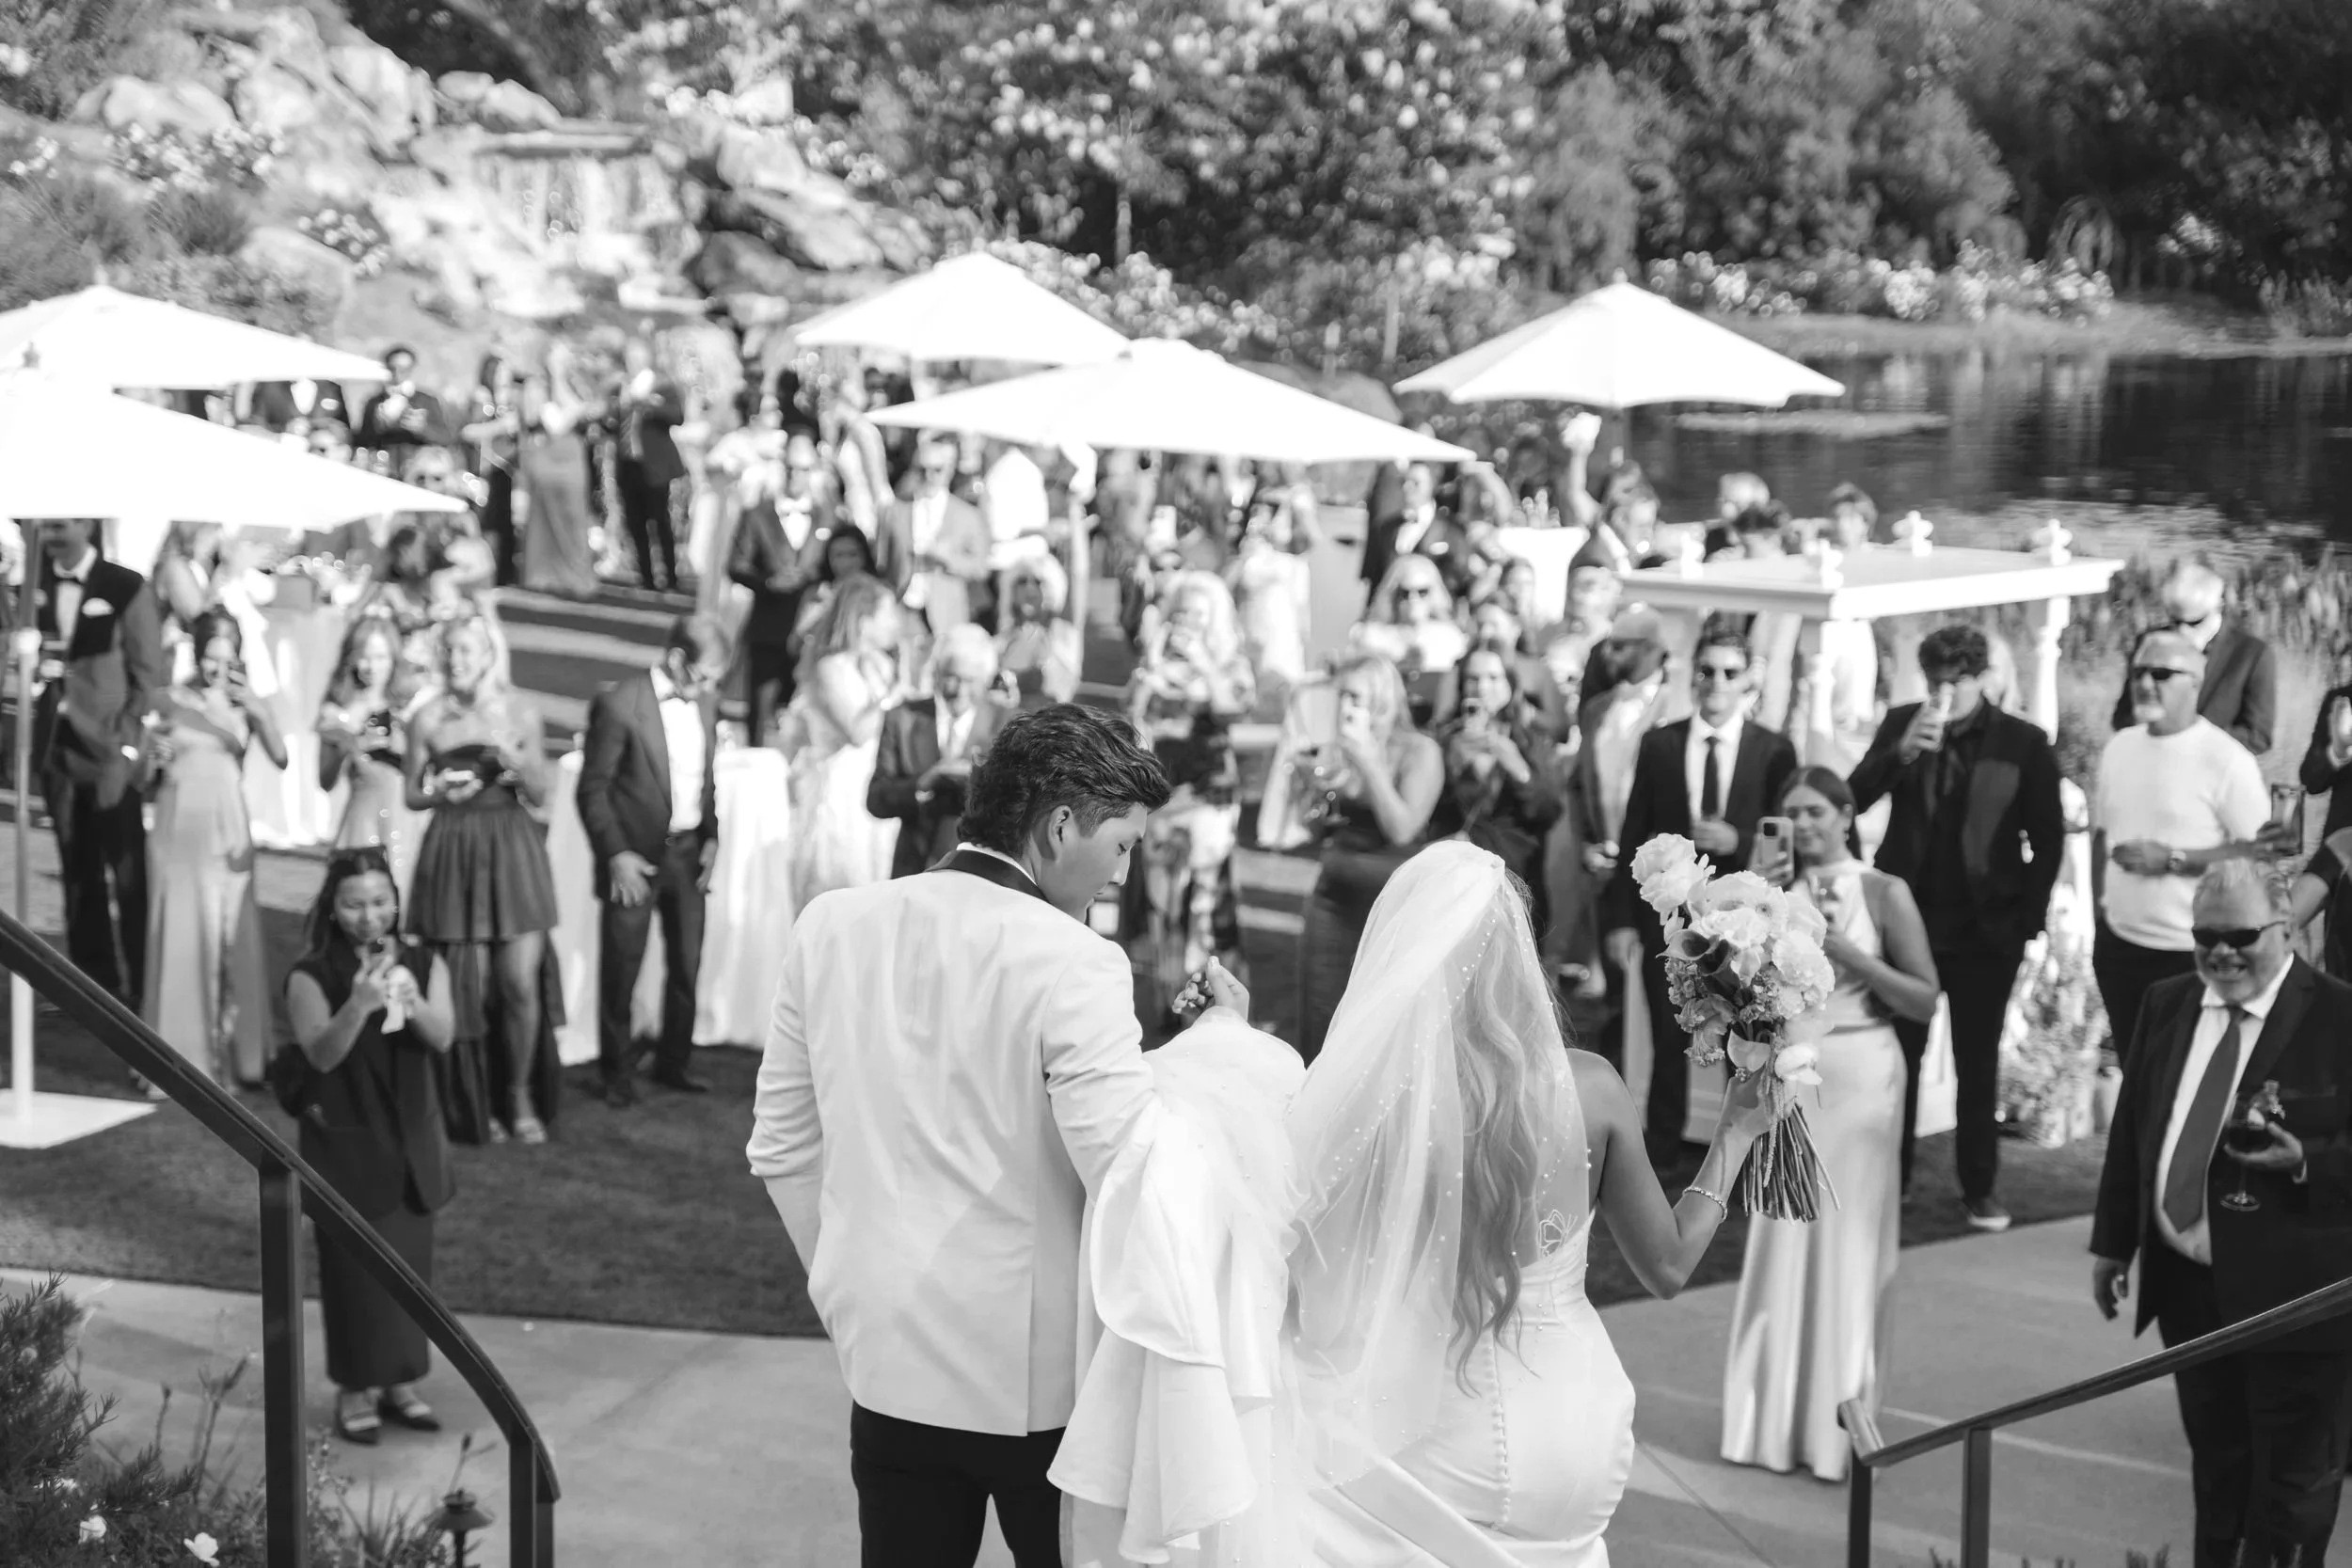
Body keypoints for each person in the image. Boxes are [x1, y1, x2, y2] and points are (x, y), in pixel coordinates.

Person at [751, 705, 1242, 1568]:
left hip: (886, 1362)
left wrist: (847, 1288)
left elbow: (782, 1147)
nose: (1124, 874)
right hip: (1039, 1396)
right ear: (1059, 825)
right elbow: (1134, 1172)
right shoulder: (1075, 960)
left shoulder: (829, 924)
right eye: (1122, 843)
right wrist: (1223, 1048)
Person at [1294, 842, 1774, 1562]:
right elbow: (1668, 1266)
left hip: (1432, 1438)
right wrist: (1735, 1132)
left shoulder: (1373, 1107)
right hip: (1574, 1427)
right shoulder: (1591, 1086)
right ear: (1515, 950)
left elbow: (1311, 1268)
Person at [2090, 861, 2352, 1568]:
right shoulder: (2167, 1002)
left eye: (2240, 934)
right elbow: (2135, 1130)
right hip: (2190, 1288)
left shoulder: (2339, 1015)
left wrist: (2311, 1161)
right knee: (2218, 1466)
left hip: (2297, 1302)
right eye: (2206, 934)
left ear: (2287, 924)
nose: (2221, 951)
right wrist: (2113, 1244)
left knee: (2292, 1489)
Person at [1722, 768, 1940, 1482]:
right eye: (1789, 814)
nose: (1804, 824)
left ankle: (1836, 1427)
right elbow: (1737, 989)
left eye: (1815, 811)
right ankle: (1767, 1418)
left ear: (1847, 814)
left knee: (1847, 1244)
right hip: (1790, 1072)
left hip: (1864, 1076)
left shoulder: (1886, 892)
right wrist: (1749, 908)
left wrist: (1853, 955)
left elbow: (1924, 998)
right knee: (1781, 1235)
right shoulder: (1766, 892)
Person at [1849, 624, 2066, 1223]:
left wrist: (2025, 922)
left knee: (1977, 1064)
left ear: (1979, 678)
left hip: (1984, 931)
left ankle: (1979, 1187)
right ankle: (1890, 1182)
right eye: (1934, 682)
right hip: (1907, 924)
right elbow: (1851, 801)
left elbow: (2046, 841)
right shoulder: (1902, 725)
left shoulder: (2022, 742)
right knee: (1899, 1058)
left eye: (1955, 682)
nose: (1943, 694)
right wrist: (1900, 756)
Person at [283, 847, 456, 1447]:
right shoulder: (311, 974)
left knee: (411, 1274)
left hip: (412, 1142)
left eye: (380, 901)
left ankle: (402, 1383)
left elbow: (443, 1037)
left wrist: (408, 999)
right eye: (354, 903)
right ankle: (356, 1388)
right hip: (347, 1143)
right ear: (333, 908)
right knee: (354, 1273)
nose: (369, 916)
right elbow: (321, 1054)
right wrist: (358, 1004)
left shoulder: (424, 961)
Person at [1605, 628, 1798, 1153]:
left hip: (1745, 922)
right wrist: (1622, 920)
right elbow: (1633, 831)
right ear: (1693, 677)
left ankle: (1738, 1149)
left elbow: (1786, 837)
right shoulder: (1660, 743)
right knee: (1672, 1033)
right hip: (1672, 921)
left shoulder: (1774, 750)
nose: (1717, 682)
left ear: (1748, 682)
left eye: (1730, 672)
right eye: (1708, 670)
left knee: (1743, 1035)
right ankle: (1663, 1148)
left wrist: (1740, 838)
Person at [2091, 628, 2281, 1076]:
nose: (2145, 682)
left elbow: (2262, 855)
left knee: (2181, 1087)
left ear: (2195, 683)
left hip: (2189, 956)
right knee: (2135, 1079)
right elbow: (2102, 836)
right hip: (2119, 946)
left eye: (2161, 673)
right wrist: (2096, 916)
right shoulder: (2121, 747)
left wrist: (2175, 859)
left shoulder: (2226, 760)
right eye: (2139, 671)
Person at [404, 611, 562, 1146]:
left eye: (467, 650)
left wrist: (516, 763)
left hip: (511, 847)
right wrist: (439, 793)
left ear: (489, 654)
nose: (457, 660)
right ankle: (472, 1100)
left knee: (518, 983)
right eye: (449, 651)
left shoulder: (521, 710)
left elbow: (543, 796)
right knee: (469, 987)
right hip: (452, 847)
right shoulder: (426, 718)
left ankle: (517, 1093)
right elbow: (409, 794)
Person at [575, 613, 729, 1107]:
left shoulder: (706, 702)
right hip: (635, 857)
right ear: (678, 659)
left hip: (687, 855)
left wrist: (711, 837)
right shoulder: (620, 704)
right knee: (623, 967)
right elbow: (593, 790)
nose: (706, 687)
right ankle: (615, 1072)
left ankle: (673, 1063)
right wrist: (616, 855)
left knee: (686, 964)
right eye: (702, 675)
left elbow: (706, 778)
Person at [140, 610, 284, 1089]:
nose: (216, 667)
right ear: (195, 651)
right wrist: (149, 759)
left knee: (230, 934)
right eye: (208, 655)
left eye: (226, 658)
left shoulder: (247, 705)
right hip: (176, 825)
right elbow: (142, 778)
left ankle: (237, 1057)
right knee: (178, 934)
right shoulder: (167, 699)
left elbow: (281, 758)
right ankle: (176, 1056)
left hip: (226, 830)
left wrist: (259, 710)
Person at [29, 517, 165, 1006]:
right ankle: (91, 989)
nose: (54, 535)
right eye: (46, 527)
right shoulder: (33, 582)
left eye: (62, 525)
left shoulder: (125, 586)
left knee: (127, 875)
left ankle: (145, 986)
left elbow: (150, 673)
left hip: (110, 751)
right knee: (77, 870)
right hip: (57, 747)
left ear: (87, 525)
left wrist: (129, 745)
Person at [1122, 572, 1256, 1032]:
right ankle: (1167, 1002)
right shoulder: (1155, 663)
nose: (1186, 623)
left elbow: (1231, 709)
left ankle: (1211, 1004)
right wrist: (1151, 674)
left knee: (1205, 901)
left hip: (1208, 796)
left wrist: (1202, 662)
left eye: (1198, 615)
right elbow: (1132, 723)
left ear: (1215, 619)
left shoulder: (1230, 664)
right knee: (1164, 904)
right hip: (1161, 796)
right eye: (1180, 612)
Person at [1295, 654, 1443, 1063]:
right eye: (1341, 695)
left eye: (1356, 697)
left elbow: (1403, 827)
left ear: (1383, 700)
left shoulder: (1420, 751)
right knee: (1324, 1018)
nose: (1345, 706)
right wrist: (1310, 788)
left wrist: (1367, 762)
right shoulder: (1338, 750)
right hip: (1334, 901)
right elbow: (1312, 832)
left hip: (1393, 906)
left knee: (1382, 1030)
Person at [785, 575, 905, 905]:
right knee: (840, 882)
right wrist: (893, 694)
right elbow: (858, 731)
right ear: (864, 620)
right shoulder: (830, 668)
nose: (896, 623)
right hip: (842, 785)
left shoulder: (882, 664)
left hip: (876, 780)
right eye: (888, 614)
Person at [1428, 646, 1565, 928]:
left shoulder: (1529, 741)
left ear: (1510, 684)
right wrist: (1453, 766)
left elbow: (1549, 810)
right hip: (1454, 884)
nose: (1482, 687)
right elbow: (1427, 815)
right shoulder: (1442, 742)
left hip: (1515, 881)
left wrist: (1516, 765)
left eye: (1493, 677)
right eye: (1473, 678)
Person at [868, 626, 1009, 879]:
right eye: (952, 677)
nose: (960, 690)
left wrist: (976, 778)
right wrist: (924, 783)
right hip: (915, 869)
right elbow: (877, 799)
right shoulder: (904, 718)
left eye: (971, 680)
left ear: (987, 681)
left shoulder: (1006, 722)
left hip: (982, 876)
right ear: (936, 673)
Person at [726, 431, 832, 745]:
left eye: (803, 469)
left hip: (811, 632)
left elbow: (834, 566)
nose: (795, 476)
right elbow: (736, 565)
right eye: (790, 468)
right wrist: (766, 583)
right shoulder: (757, 514)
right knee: (760, 711)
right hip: (768, 627)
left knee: (805, 717)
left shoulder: (828, 517)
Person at [2109, 562, 2277, 756]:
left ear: (2218, 607)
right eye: (2175, 621)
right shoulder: (2150, 644)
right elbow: (2122, 718)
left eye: (2194, 622)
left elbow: (2258, 736)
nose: (2182, 631)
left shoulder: (2252, 654)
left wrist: (2189, 740)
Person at [318, 611, 422, 898]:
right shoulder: (337, 711)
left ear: (393, 659)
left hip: (407, 822)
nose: (371, 667)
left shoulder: (411, 708)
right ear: (350, 658)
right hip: (363, 821)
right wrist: (349, 744)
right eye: (364, 657)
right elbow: (324, 781)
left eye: (380, 657)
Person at [878, 436, 992, 640]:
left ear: (949, 470)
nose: (929, 476)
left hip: (946, 613)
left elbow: (980, 568)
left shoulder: (967, 515)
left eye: (936, 470)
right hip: (903, 608)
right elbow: (882, 563)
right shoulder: (895, 510)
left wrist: (946, 557)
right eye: (922, 470)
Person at [516, 354, 602, 600]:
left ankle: (575, 577)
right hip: (546, 462)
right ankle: (546, 577)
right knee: (544, 521)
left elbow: (582, 412)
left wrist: (560, 379)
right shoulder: (535, 388)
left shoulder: (576, 386)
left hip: (572, 462)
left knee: (574, 521)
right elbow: (542, 421)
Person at [1352, 555, 1468, 731]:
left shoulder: (1450, 637)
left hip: (1436, 721)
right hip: (1384, 721)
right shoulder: (1370, 636)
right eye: (1405, 593)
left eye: (1422, 592)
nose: (1413, 600)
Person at [612, 337, 688, 593]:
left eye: (636, 358)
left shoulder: (662, 385)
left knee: (660, 522)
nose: (631, 363)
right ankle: (646, 577)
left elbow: (678, 416)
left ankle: (671, 577)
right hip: (629, 464)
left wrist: (652, 406)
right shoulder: (621, 387)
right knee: (636, 522)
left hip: (653, 465)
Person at [1359, 461, 1475, 602]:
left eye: (1416, 483)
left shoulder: (1451, 529)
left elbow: (1460, 580)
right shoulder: (1387, 528)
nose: (1407, 488)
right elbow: (1375, 579)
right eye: (1404, 482)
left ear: (1433, 485)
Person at [458, 353, 523, 588]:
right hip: (484, 469)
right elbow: (468, 432)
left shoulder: (508, 400)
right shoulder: (482, 398)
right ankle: (484, 573)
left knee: (504, 522)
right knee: (485, 523)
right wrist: (501, 426)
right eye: (499, 372)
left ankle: (504, 572)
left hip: (506, 470)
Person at [994, 553, 1082, 710]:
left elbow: (1057, 687)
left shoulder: (1063, 633)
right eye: (1021, 582)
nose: (1029, 588)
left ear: (1052, 587)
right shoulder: (1004, 636)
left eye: (1038, 581)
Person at [354, 345, 449, 459]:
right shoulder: (374, 403)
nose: (398, 374)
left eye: (404, 369)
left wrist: (423, 429)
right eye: (393, 368)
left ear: (411, 369)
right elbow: (361, 442)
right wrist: (377, 426)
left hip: (416, 464)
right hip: (383, 463)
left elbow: (446, 438)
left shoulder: (426, 401)